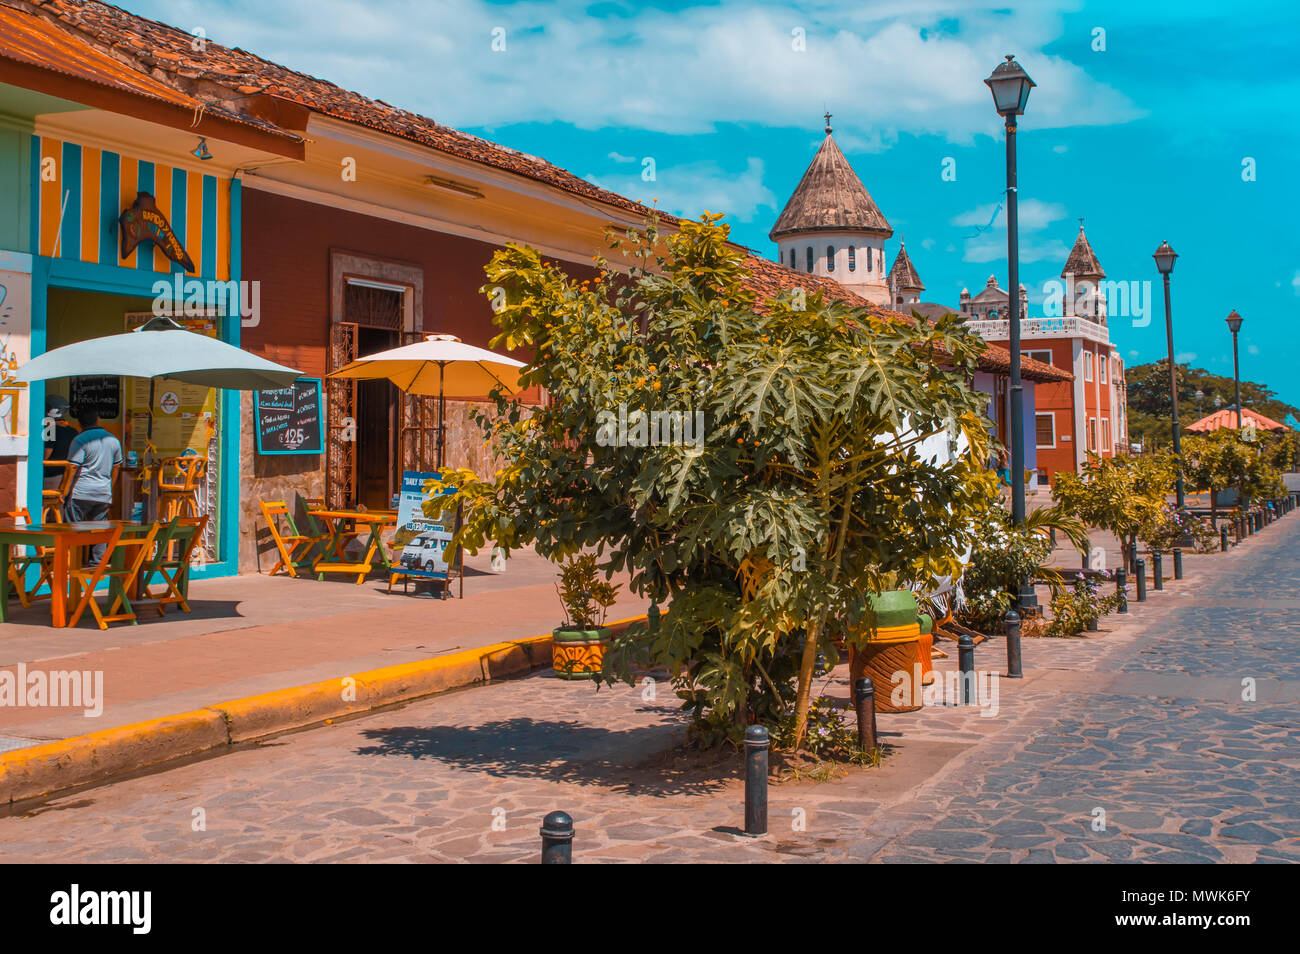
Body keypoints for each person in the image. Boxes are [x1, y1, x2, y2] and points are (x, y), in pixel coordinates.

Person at [67, 408, 123, 563]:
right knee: (100, 529)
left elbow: (72, 467)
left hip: (80, 492)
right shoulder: (113, 440)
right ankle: (99, 563)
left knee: (74, 528)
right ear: (98, 419)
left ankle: (74, 562)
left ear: (79, 423)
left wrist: (65, 491)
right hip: (103, 492)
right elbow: (117, 466)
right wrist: (110, 487)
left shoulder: (80, 440)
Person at [43, 394, 78, 490]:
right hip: (66, 476)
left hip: (50, 476)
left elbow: (47, 452)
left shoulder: (49, 429)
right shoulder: (73, 431)